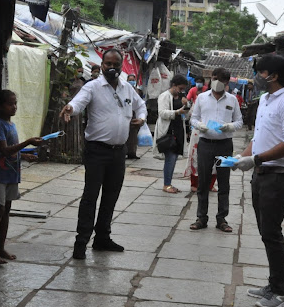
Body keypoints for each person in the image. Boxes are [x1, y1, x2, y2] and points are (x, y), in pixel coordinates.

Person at [60, 49, 146, 260]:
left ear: (121, 65)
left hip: (119, 152)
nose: (111, 68)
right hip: (97, 151)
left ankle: (102, 238)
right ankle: (81, 243)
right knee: (90, 197)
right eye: (108, 64)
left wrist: (142, 118)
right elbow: (79, 102)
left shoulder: (127, 88)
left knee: (111, 196)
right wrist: (70, 108)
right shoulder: (93, 86)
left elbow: (140, 105)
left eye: (116, 64)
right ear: (102, 64)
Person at [234, 53, 284, 307]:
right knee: (265, 232)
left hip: (279, 176)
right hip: (261, 173)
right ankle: (273, 283)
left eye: (259, 72)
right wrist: (241, 157)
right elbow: (261, 134)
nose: (256, 77)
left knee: (272, 233)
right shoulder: (264, 100)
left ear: (272, 76)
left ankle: (281, 291)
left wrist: (256, 159)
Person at [0, 90, 44, 266]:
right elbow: (4, 150)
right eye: (10, 104)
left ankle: (1, 247)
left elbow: (11, 150)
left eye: (15, 103)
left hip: (11, 174)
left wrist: (24, 156)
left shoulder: (11, 125)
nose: (14, 107)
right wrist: (27, 143)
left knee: (6, 212)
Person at [189, 67, 244, 233]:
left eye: (220, 79)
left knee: (224, 182)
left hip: (224, 144)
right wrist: (200, 126)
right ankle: (201, 217)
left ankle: (222, 219)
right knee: (203, 181)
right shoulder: (202, 98)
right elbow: (193, 117)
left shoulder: (232, 100)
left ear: (226, 82)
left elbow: (239, 121)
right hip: (205, 142)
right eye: (214, 78)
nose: (216, 82)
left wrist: (229, 126)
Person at [153, 75, 188, 193]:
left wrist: (187, 106)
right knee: (170, 158)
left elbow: (186, 114)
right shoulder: (164, 96)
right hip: (168, 131)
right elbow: (162, 113)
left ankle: (168, 183)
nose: (181, 91)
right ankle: (166, 184)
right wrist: (178, 112)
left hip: (178, 130)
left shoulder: (181, 97)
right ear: (174, 85)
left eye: (183, 89)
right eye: (180, 88)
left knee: (173, 158)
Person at [126, 74, 140, 160]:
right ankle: (125, 152)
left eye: (133, 80)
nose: (131, 82)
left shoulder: (137, 90)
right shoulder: (124, 90)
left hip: (134, 116)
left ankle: (132, 152)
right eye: (130, 80)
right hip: (126, 115)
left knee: (133, 136)